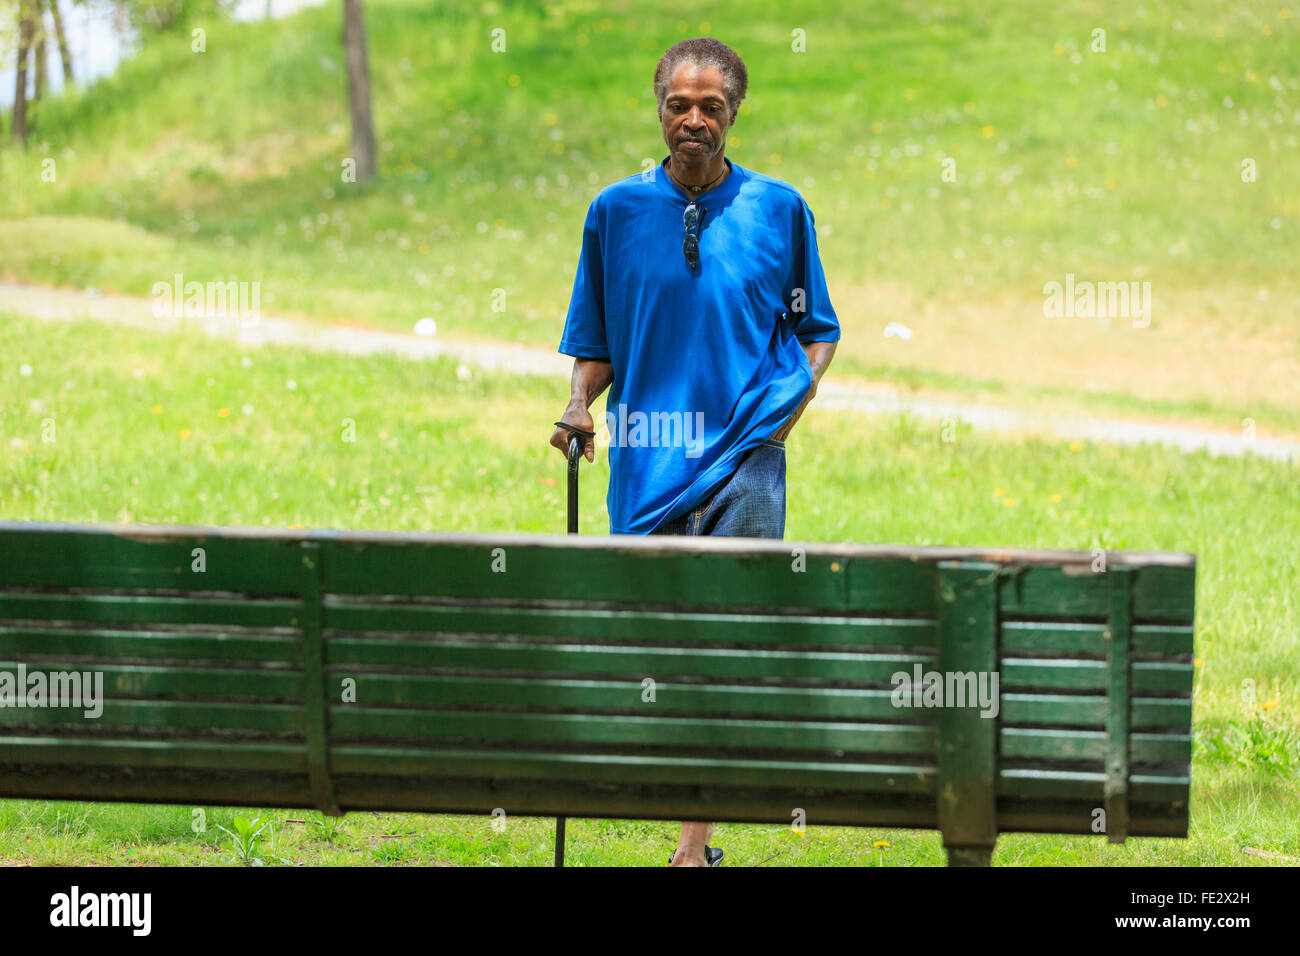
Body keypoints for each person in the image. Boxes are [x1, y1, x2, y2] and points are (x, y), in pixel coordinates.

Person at [550, 37, 840, 867]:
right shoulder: (614, 212)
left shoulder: (778, 210)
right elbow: (597, 340)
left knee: (722, 649)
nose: (694, 119)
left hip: (746, 463)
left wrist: (785, 410)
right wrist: (578, 404)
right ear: (660, 109)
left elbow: (817, 330)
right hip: (646, 464)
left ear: (733, 114)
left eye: (711, 106)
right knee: (656, 654)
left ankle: (692, 849)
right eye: (680, 104)